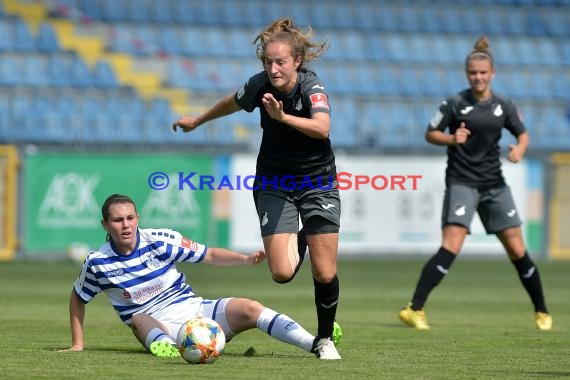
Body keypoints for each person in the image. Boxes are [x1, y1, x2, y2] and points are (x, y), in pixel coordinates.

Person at [172, 18, 341, 359]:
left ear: (297, 62)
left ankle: (324, 339)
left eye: (280, 62)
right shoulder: (259, 85)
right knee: (281, 273)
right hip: (274, 182)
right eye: (268, 62)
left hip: (317, 182)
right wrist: (197, 120)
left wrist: (283, 119)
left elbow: (322, 129)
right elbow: (231, 102)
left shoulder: (312, 87)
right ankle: (305, 235)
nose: (274, 68)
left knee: (324, 271)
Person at [60, 194, 336, 360]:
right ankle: (167, 347)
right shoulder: (98, 262)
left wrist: (245, 259)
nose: (126, 225)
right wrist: (77, 343)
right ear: (105, 225)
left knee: (250, 307)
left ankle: (315, 342)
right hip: (157, 325)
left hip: (196, 311)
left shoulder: (161, 240)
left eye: (130, 218)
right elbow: (77, 297)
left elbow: (210, 254)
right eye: (118, 220)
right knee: (138, 318)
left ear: (137, 217)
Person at [398, 36, 552, 331]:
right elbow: (430, 133)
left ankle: (542, 312)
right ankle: (414, 309)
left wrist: (520, 148)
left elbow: (523, 134)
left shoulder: (504, 105)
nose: (478, 77)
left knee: (517, 250)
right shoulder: (455, 103)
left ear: (492, 74)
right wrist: (451, 138)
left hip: (494, 184)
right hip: (462, 182)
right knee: (451, 246)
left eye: (483, 72)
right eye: (473, 73)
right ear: (466, 74)